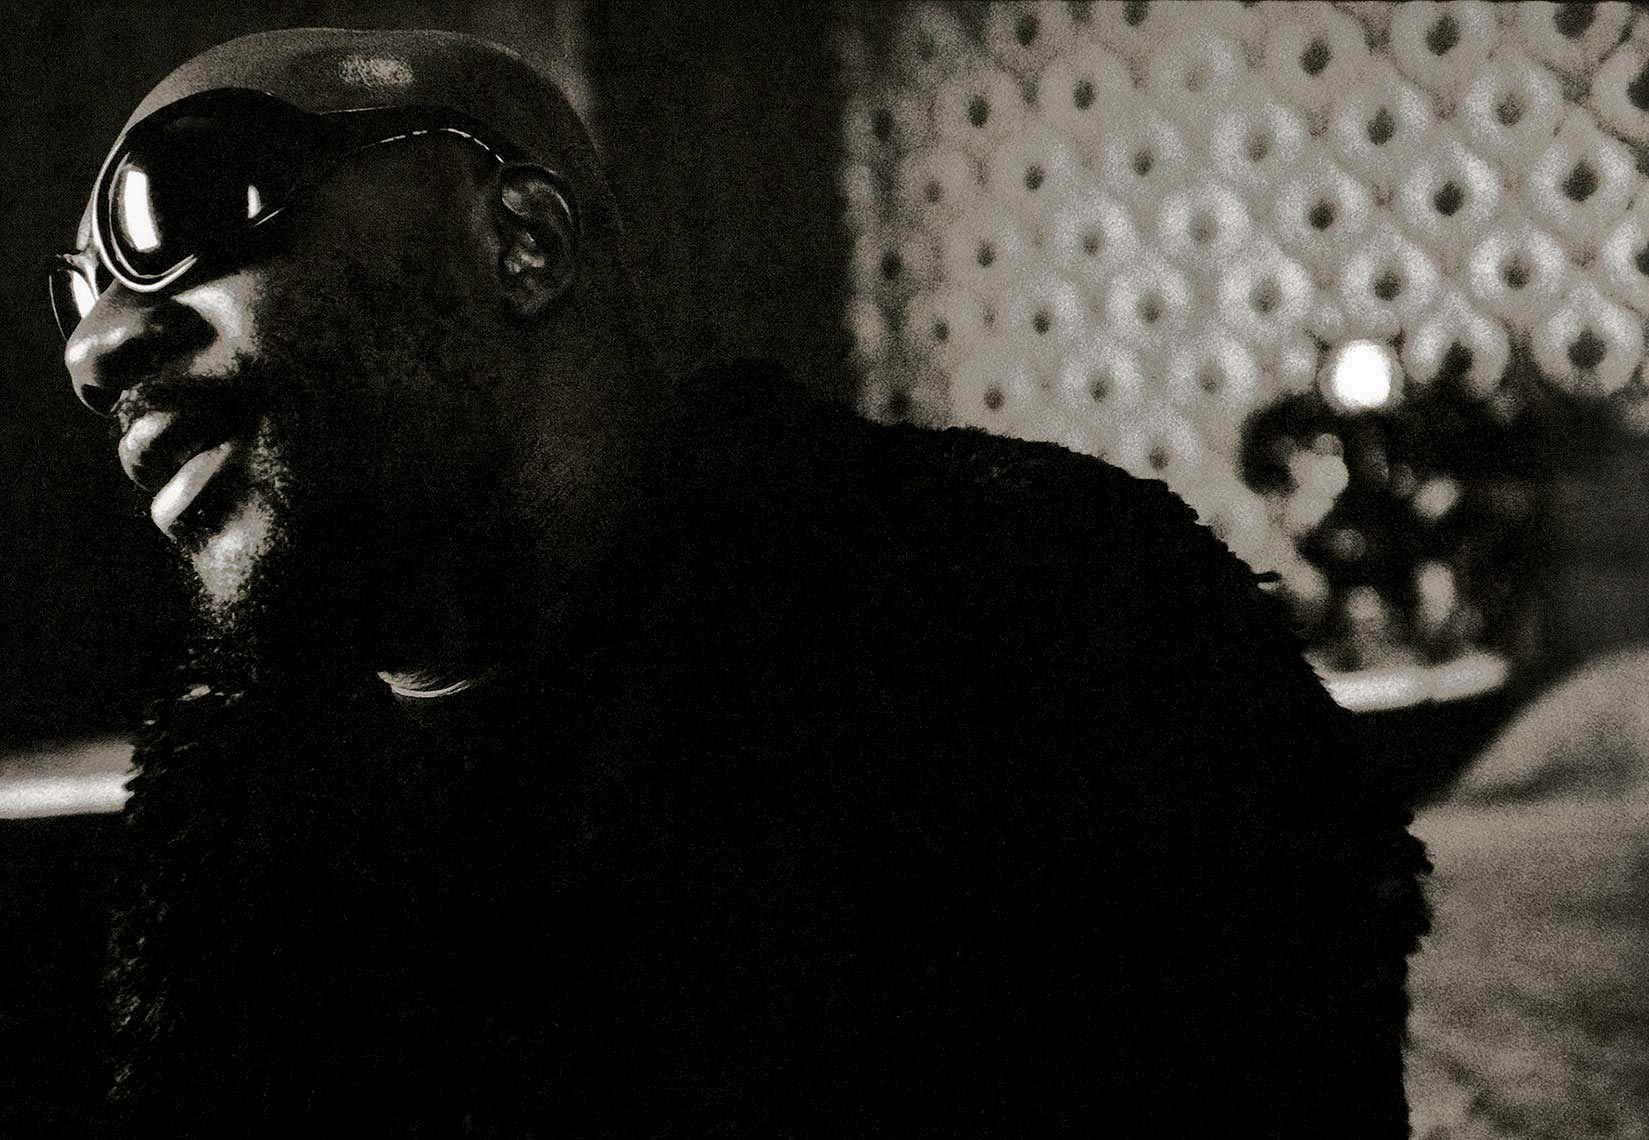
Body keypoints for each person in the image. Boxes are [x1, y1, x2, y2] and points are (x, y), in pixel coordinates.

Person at [53, 27, 1428, 1138]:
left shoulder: (1040, 618)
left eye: (177, 207)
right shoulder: (225, 828)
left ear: (520, 238)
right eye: (75, 290)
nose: (95, 347)